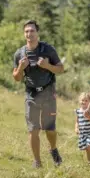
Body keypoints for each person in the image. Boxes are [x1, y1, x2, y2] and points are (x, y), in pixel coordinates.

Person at [12, 19, 65, 168]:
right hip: (31, 95)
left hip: (48, 93)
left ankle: (53, 149)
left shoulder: (48, 49)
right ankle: (37, 161)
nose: (29, 34)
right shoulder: (19, 54)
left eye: (32, 31)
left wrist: (47, 66)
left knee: (50, 130)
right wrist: (21, 68)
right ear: (24, 34)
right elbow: (16, 78)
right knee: (33, 130)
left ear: (37, 33)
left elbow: (60, 69)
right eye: (27, 31)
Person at [74, 92, 90, 164]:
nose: (83, 102)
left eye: (86, 100)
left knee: (88, 145)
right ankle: (89, 162)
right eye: (82, 100)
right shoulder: (78, 111)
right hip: (83, 133)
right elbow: (77, 121)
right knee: (87, 149)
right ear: (79, 101)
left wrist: (89, 117)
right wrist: (76, 128)